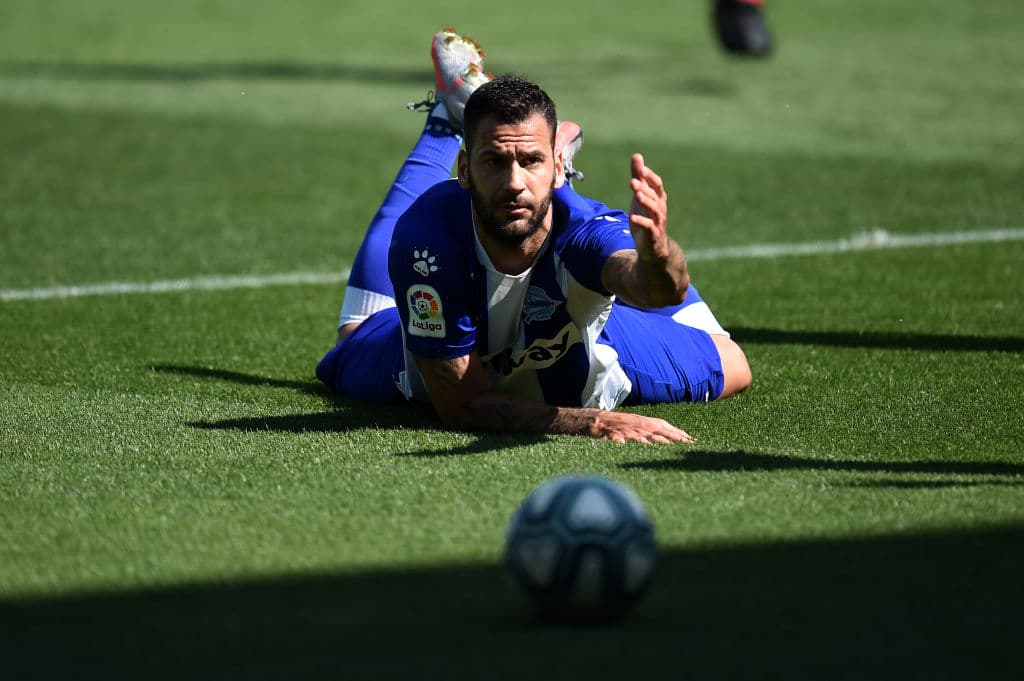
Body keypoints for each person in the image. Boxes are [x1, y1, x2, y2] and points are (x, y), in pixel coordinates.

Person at [317, 29, 751, 445]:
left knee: (731, 362)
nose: (513, 182)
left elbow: (655, 289)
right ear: (464, 170)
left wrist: (655, 253)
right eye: (494, 161)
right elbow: (462, 405)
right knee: (356, 332)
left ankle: (523, 160)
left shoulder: (585, 230)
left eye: (530, 160)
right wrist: (592, 422)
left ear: (555, 167)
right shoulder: (428, 236)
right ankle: (447, 123)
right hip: (443, 344)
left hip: (576, 342)